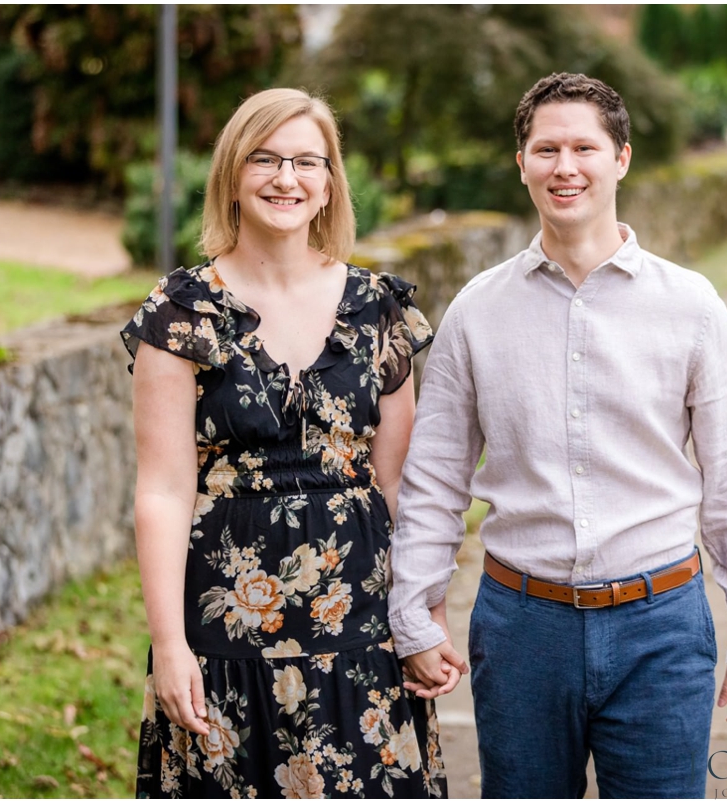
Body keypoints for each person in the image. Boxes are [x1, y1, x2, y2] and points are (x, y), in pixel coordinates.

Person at [389, 73, 727, 798]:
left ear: (621, 158)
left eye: (583, 147)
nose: (564, 167)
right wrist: (413, 610)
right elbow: (435, 479)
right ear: (522, 164)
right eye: (546, 149)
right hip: (521, 630)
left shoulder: (690, 306)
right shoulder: (477, 311)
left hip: (661, 627)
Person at [121, 87, 446, 798]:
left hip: (360, 625)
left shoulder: (378, 310)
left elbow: (403, 490)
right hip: (225, 627)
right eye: (265, 159)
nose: (286, 178)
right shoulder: (180, 314)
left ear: (330, 183)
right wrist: (172, 644)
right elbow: (164, 490)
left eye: (307, 161)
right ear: (233, 176)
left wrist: (424, 619)